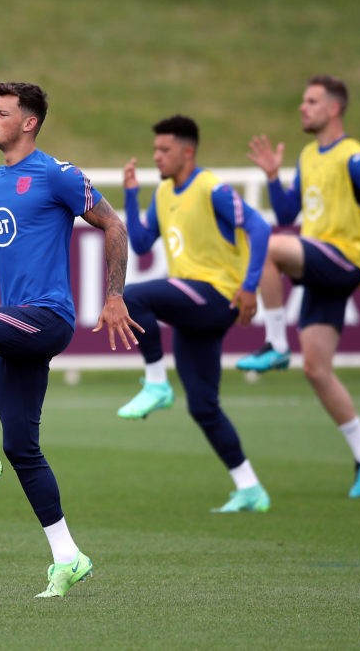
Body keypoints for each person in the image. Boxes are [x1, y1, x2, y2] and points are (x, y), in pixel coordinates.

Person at [0, 82, 142, 598]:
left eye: (1, 112)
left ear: (29, 122)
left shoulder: (57, 174)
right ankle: (68, 556)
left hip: (46, 316)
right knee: (23, 446)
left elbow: (113, 226)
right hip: (21, 325)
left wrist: (113, 296)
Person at [235, 75, 360, 498]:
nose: (302, 107)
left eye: (311, 101)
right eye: (302, 100)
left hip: (344, 259)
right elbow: (286, 209)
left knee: (271, 247)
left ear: (334, 109)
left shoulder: (355, 158)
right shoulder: (310, 154)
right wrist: (275, 177)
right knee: (316, 369)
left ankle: (276, 343)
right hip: (321, 266)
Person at [117, 115, 273, 513]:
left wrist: (250, 285)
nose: (156, 157)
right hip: (194, 304)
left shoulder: (211, 188)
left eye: (164, 150)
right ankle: (250, 488)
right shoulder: (164, 192)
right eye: (154, 150)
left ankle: (156, 384)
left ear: (188, 151)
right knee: (203, 405)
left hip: (218, 296)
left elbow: (260, 228)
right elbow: (140, 241)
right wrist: (132, 195)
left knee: (131, 296)